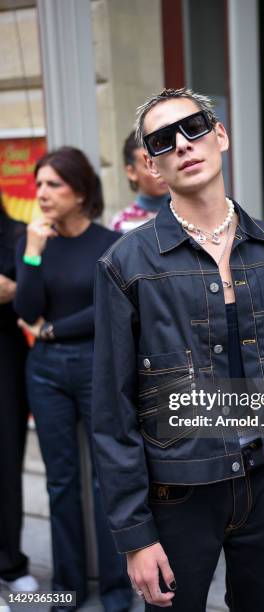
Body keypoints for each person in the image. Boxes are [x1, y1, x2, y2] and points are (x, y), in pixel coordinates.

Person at [92, 88, 264, 612]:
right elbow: (112, 415)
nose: (183, 145)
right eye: (163, 140)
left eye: (193, 128)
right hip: (179, 494)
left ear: (221, 135)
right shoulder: (127, 264)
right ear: (151, 164)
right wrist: (137, 536)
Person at [14, 147, 133, 612]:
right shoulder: (38, 241)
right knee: (60, 483)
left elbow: (107, 308)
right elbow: (25, 308)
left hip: (94, 366)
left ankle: (119, 590)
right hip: (45, 373)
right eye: (39, 184)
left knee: (109, 480)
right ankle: (68, 588)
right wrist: (32, 252)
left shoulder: (110, 242)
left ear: (80, 192)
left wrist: (54, 329)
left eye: (53, 185)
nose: (41, 193)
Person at [0, 196, 38, 605]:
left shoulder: (16, 233)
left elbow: (23, 293)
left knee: (7, 464)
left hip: (6, 359)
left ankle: (11, 563)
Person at [110, 132, 168, 233]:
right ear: (131, 172)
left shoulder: (189, 213)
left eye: (163, 162)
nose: (160, 171)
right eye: (149, 165)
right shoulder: (121, 224)